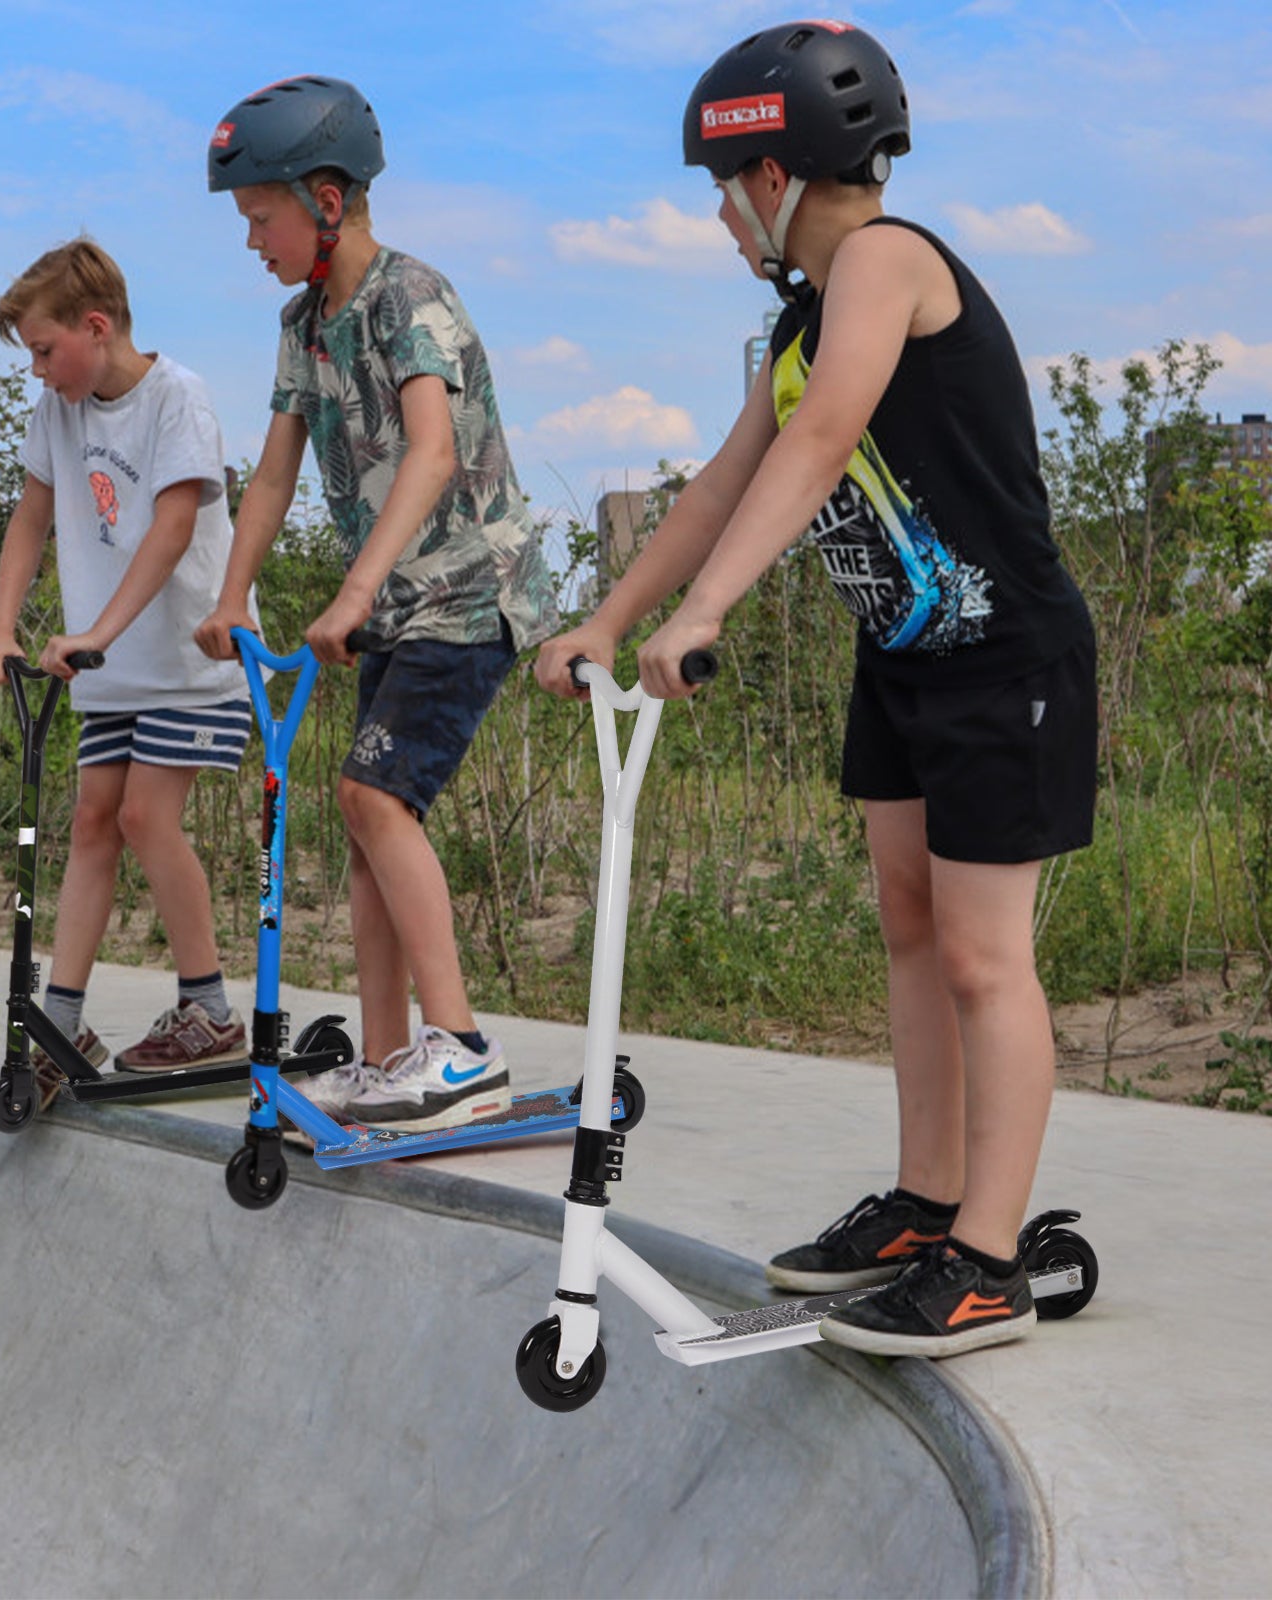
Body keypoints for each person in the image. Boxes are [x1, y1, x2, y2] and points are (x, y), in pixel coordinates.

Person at [536, 20, 1097, 1358]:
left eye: (724, 192)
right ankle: (927, 1201)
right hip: (904, 660)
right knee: (910, 926)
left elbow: (831, 433)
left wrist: (712, 609)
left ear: (775, 175)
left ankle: (985, 1265)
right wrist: (611, 616)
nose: (722, 221)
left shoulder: (889, 263)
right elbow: (728, 479)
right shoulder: (801, 319)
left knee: (983, 957)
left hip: (1002, 660)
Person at [195, 76, 559, 1133]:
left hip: (469, 592)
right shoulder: (302, 324)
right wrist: (232, 596)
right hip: (397, 610)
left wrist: (351, 591)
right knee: (365, 821)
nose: (250, 240)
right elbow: (272, 473)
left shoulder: (410, 296)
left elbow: (433, 451)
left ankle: (462, 1052)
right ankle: (390, 1057)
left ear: (325, 201)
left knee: (371, 798)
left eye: (259, 217)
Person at [0, 237, 254, 1107]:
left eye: (44, 350)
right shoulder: (57, 414)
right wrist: (1, 628)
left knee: (142, 815)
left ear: (95, 327)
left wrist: (96, 629)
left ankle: (210, 1011)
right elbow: (31, 518)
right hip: (109, 672)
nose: (38, 371)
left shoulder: (178, 398)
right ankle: (60, 1023)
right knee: (93, 821)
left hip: (190, 663)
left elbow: (173, 528)